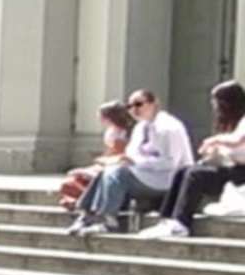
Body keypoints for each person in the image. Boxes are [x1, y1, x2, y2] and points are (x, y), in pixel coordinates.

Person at [68, 88, 190, 235]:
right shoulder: (140, 127)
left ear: (154, 104)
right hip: (143, 174)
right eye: (129, 106)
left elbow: (170, 163)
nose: (134, 110)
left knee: (117, 174)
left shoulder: (168, 127)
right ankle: (86, 215)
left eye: (139, 104)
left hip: (167, 179)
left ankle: (109, 221)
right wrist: (122, 160)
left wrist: (135, 162)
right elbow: (131, 154)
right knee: (106, 172)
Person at [142, 80, 245, 238]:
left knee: (195, 175)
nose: (214, 106)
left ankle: (181, 223)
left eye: (216, 101)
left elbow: (238, 140)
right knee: (184, 171)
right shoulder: (230, 124)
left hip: (241, 174)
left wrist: (213, 141)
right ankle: (167, 219)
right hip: (232, 169)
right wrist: (210, 155)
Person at [60, 101, 136, 212]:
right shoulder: (111, 131)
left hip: (117, 166)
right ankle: (77, 201)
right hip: (107, 164)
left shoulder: (123, 134)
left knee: (76, 179)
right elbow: (109, 153)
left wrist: (92, 168)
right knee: (69, 182)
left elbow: (118, 156)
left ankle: (86, 202)